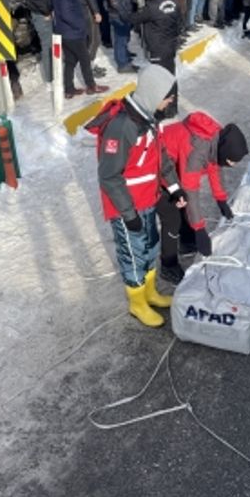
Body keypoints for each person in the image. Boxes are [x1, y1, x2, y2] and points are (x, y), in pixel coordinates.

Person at [86, 66, 184, 327]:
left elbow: (160, 159)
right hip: (127, 206)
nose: (171, 99)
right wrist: (128, 214)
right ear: (153, 93)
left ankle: (150, 291)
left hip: (148, 200)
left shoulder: (148, 120)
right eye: (168, 94)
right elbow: (109, 176)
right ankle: (137, 302)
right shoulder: (122, 127)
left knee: (150, 246)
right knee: (133, 253)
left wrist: (174, 188)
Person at [155, 117, 249, 283]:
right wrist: (199, 229)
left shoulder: (215, 140)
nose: (232, 166)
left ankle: (187, 241)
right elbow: (191, 190)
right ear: (224, 152)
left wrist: (221, 199)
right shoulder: (197, 151)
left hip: (174, 165)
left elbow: (214, 168)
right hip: (158, 166)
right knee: (172, 217)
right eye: (231, 161)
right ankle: (168, 266)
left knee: (184, 205)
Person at [53, 0, 110, 97]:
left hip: (65, 31)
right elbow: (67, 13)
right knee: (84, 59)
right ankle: (91, 86)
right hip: (72, 33)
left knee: (71, 61)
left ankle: (69, 89)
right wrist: (81, 25)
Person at [130, 0, 184, 114]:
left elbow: (132, 19)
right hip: (170, 46)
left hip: (158, 49)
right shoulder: (174, 2)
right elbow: (180, 23)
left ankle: (166, 109)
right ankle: (171, 107)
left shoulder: (151, 8)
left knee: (161, 79)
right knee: (170, 76)